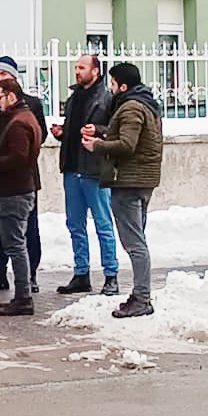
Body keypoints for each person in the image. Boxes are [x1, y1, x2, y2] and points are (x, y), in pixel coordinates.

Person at [82, 62, 163, 318]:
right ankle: (141, 294)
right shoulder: (146, 104)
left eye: (113, 83)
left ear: (123, 86)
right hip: (142, 180)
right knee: (137, 240)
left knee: (134, 243)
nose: (111, 88)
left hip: (130, 182)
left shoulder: (130, 108)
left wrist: (98, 145)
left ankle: (142, 298)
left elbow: (127, 145)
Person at [50, 53, 120, 296]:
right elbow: (73, 126)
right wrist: (62, 132)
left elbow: (116, 129)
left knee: (102, 223)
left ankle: (111, 275)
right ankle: (81, 273)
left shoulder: (106, 98)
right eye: (76, 68)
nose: (77, 72)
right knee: (74, 223)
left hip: (94, 169)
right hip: (72, 167)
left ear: (95, 71)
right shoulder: (74, 97)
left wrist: (99, 130)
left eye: (81, 67)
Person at [0, 55, 46, 295]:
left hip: (20, 177)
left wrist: (4, 158)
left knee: (27, 229)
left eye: (4, 75)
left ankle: (29, 276)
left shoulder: (30, 106)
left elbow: (39, 135)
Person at [0, 75, 43, 316]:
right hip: (20, 189)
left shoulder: (19, 123)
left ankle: (23, 297)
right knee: (17, 243)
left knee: (15, 244)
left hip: (15, 191)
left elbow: (19, 158)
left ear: (11, 97)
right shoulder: (25, 116)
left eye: (0, 97)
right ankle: (23, 295)